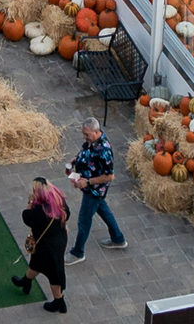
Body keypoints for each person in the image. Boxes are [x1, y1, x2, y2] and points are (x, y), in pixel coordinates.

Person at [68, 120, 127, 260]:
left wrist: (87, 182)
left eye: (87, 134)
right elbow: (86, 151)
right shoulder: (91, 141)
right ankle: (118, 239)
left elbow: (110, 176)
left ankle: (77, 253)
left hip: (94, 191)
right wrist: (75, 159)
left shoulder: (104, 150)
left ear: (96, 131)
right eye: (83, 134)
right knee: (104, 211)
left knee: (84, 220)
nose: (85, 137)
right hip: (89, 187)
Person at [14, 175, 70, 311]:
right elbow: (67, 213)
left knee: (53, 273)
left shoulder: (40, 210)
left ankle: (59, 301)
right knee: (37, 262)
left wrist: (29, 203)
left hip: (48, 245)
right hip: (59, 239)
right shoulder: (58, 199)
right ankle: (26, 281)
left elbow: (27, 218)